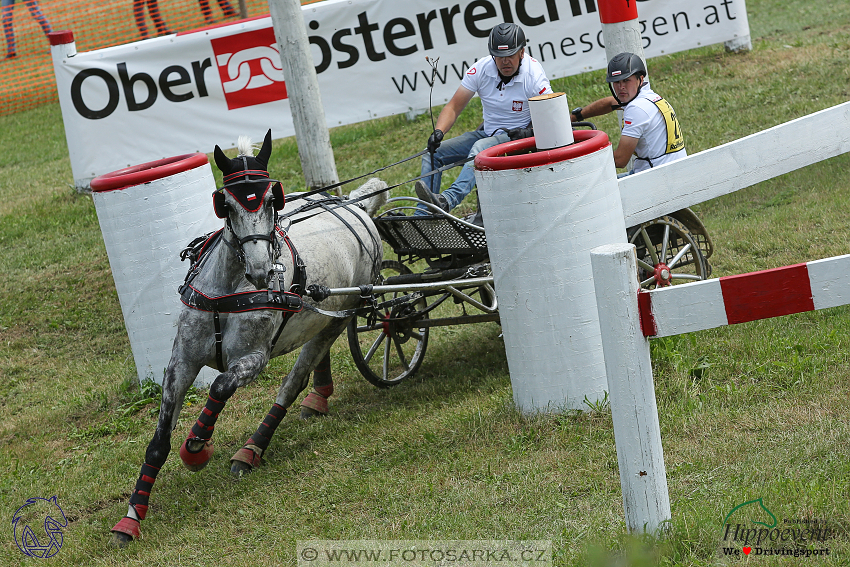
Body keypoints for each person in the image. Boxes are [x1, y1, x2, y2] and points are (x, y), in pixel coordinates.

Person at [415, 22, 552, 213]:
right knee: (432, 154)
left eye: (510, 55)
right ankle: (423, 215)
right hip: (487, 134)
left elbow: (552, 116)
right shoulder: (481, 69)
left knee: (479, 149)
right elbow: (454, 106)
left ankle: (448, 200)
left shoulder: (534, 75)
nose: (505, 61)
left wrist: (528, 132)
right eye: (499, 56)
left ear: (522, 52)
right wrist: (439, 132)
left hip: (517, 140)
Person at [570, 52, 686, 175]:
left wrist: (582, 157)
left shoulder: (637, 108)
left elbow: (620, 160)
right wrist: (575, 117)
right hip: (674, 169)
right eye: (616, 82)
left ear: (640, 79)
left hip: (656, 178)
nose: (621, 87)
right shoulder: (649, 97)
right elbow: (609, 103)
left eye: (626, 80)